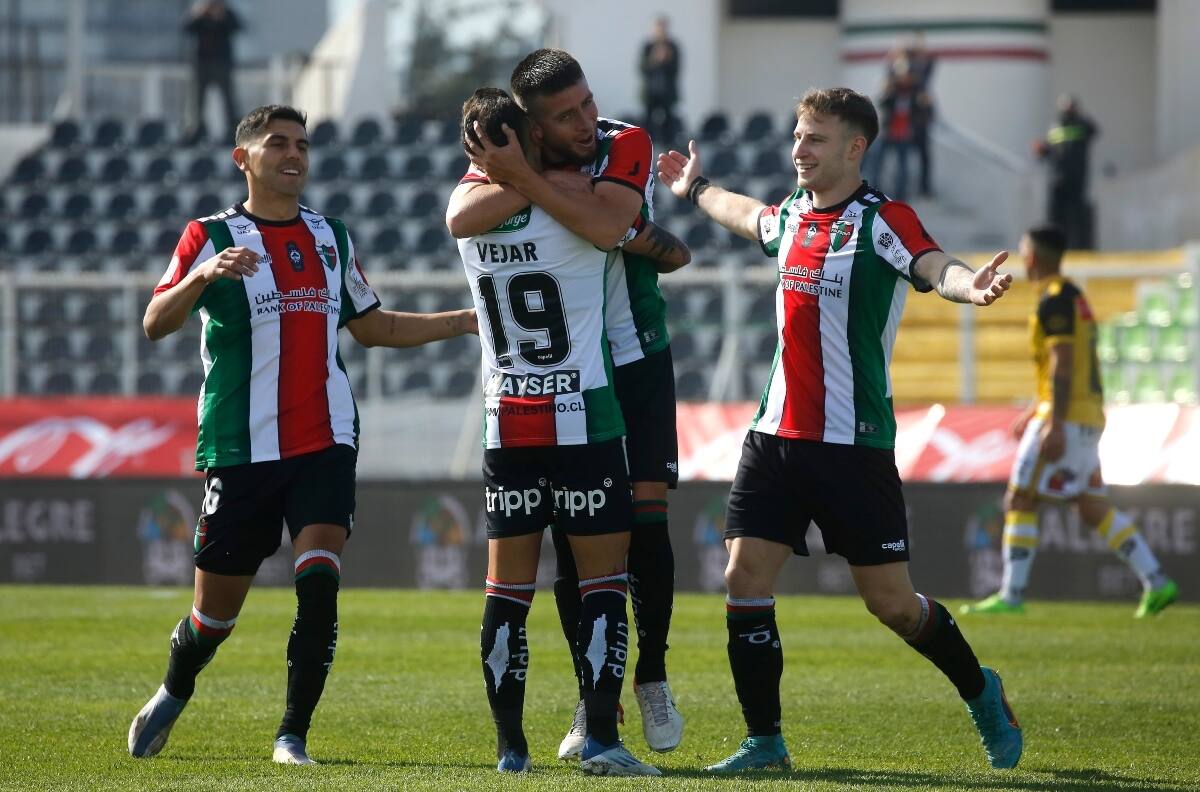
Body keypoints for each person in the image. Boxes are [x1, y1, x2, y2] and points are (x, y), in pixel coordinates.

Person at [656, 86, 1023, 773]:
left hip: (853, 445)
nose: (800, 149)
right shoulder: (793, 214)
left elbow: (931, 264)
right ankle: (766, 742)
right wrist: (696, 186)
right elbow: (746, 215)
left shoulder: (883, 219)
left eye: (816, 139)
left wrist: (970, 286)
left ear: (855, 148)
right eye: (798, 136)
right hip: (775, 438)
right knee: (743, 576)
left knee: (891, 604)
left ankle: (982, 691)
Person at [127, 104, 477, 766]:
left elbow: (375, 327)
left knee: (318, 579)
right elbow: (153, 322)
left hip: (325, 439)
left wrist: (461, 320)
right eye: (279, 143)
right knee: (214, 619)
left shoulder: (330, 237)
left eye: (303, 145)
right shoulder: (208, 235)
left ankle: (292, 735)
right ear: (244, 158)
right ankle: (175, 688)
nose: (295, 154)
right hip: (241, 445)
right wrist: (202, 277)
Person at [447, 48, 686, 759]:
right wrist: (531, 177)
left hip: (634, 356)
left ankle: (652, 674)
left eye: (587, 103)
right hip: (579, 374)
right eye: (566, 116)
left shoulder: (626, 141)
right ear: (532, 126)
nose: (586, 122)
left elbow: (610, 225)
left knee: (647, 522)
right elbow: (464, 213)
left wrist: (523, 179)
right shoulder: (514, 154)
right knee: (576, 550)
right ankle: (593, 704)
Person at [961, 226, 1178, 618]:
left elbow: (1063, 363)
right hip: (1087, 414)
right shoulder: (1073, 297)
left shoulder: (1056, 300)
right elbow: (1066, 367)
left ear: (1032, 258)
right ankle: (1158, 582)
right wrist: (1035, 410)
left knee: (1020, 498)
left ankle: (1012, 596)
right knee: (1090, 505)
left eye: (1023, 252)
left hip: (1068, 418)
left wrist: (1053, 423)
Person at [1033, 95, 1098, 249]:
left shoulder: (1082, 125)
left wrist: (1080, 115)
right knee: (1055, 217)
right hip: (1057, 179)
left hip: (1076, 178)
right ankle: (1054, 247)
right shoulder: (1055, 127)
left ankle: (1080, 247)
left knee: (1077, 215)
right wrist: (1041, 151)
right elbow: (1050, 152)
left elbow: (1094, 130)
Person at [183, 0, 241, 144]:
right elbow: (187, 29)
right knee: (197, 101)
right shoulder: (200, 17)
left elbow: (238, 27)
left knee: (229, 101)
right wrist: (198, 14)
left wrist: (222, 17)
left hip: (222, 64)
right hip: (202, 65)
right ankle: (197, 130)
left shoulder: (227, 15)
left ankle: (232, 130)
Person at [639, 16, 681, 147]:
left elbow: (676, 70)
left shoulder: (673, 47)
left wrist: (666, 59)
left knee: (669, 125)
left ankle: (668, 150)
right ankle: (645, 148)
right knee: (647, 123)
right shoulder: (648, 46)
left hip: (667, 93)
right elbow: (642, 69)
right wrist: (655, 60)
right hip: (651, 93)